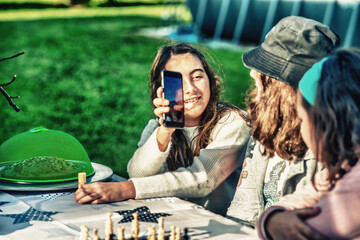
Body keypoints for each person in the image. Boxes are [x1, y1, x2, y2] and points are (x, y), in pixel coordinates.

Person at [75, 42, 251, 215]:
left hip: (220, 225)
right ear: (162, 91)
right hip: (174, 219)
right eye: (177, 80)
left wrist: (127, 189)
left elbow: (203, 178)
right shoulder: (156, 127)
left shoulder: (233, 122)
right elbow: (138, 173)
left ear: (210, 80)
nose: (190, 89)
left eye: (197, 77)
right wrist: (165, 131)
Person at [226, 16, 340, 226]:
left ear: (283, 88)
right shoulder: (267, 122)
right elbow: (242, 209)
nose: (252, 73)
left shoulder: (332, 151)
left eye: (263, 70)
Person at [257, 48, 360, 240]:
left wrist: (272, 223)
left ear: (324, 122)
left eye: (302, 119)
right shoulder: (346, 165)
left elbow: (298, 233)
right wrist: (272, 219)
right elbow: (297, 200)